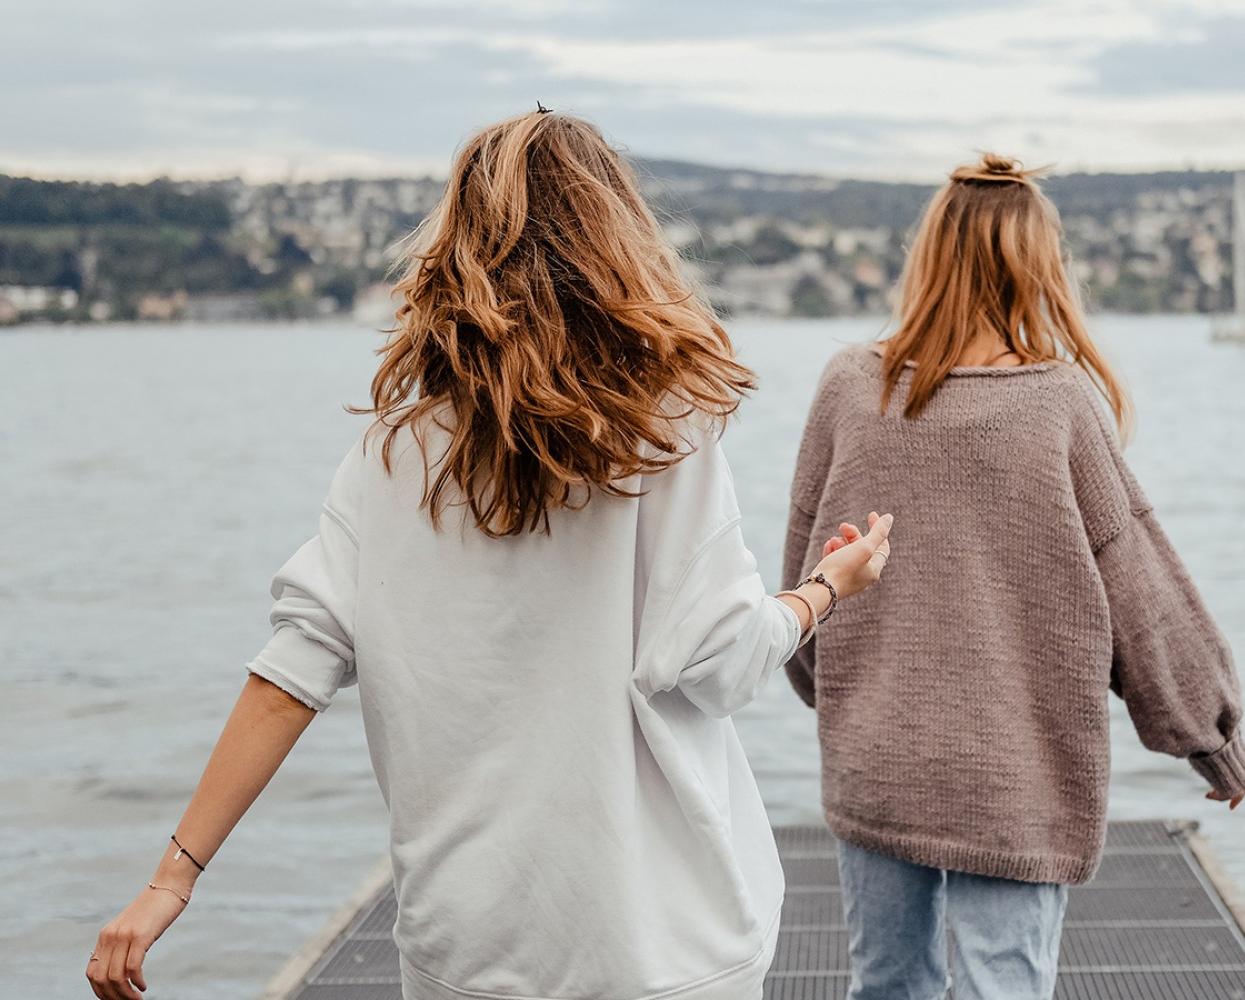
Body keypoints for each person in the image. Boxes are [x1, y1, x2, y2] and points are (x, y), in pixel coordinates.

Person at [86, 110, 894, 1000]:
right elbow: (716, 662)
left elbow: (291, 671)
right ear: (617, 238)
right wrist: (823, 590)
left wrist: (175, 877)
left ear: (457, 246)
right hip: (657, 943)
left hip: (465, 949)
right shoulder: (666, 434)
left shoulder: (394, 451)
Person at [781, 153, 1245, 1000]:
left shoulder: (850, 387)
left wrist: (843, 695)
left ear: (929, 254)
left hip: (877, 756)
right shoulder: (1058, 402)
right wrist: (1211, 740)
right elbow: (1140, 592)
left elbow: (803, 573)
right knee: (1006, 989)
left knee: (887, 985)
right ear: (1039, 266)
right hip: (1014, 775)